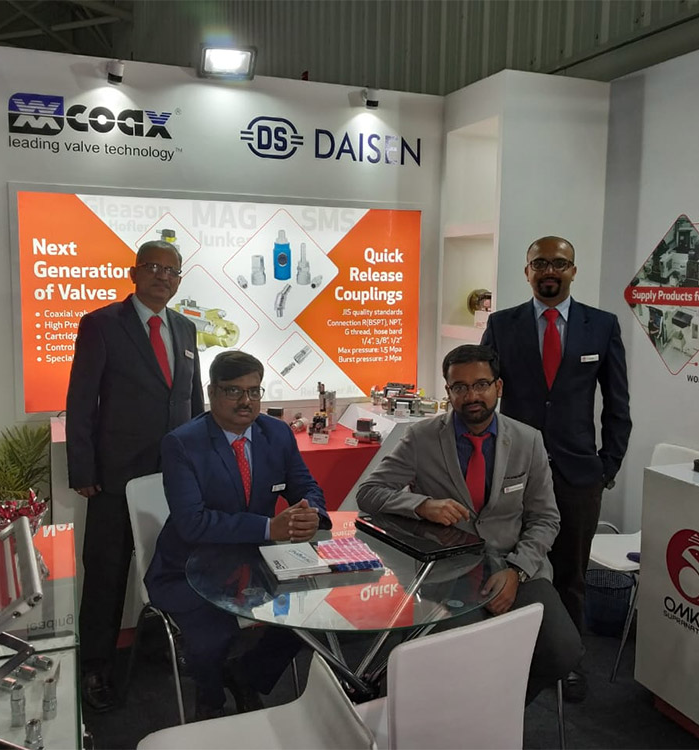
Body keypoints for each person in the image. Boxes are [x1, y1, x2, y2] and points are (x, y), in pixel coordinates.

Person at [357, 344, 582, 704]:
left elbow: (545, 518)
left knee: (562, 651)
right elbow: (369, 493)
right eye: (459, 387)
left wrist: (517, 571)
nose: (471, 396)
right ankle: (464, 716)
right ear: (448, 392)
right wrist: (421, 505)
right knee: (455, 659)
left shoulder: (528, 440)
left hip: (517, 567)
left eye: (481, 384)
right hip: (448, 572)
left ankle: (500, 709)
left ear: (498, 387)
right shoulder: (421, 438)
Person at [481, 235, 631, 701]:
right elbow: (482, 392)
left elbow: (618, 404)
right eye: (541, 263)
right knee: (502, 561)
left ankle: (568, 661)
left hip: (577, 472)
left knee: (571, 574)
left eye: (560, 263)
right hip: (512, 470)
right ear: (527, 271)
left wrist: (606, 467)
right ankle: (504, 656)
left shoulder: (600, 325)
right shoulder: (502, 324)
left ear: (573, 270)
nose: (550, 271)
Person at [145, 350, 332, 721]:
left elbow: (306, 486)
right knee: (214, 636)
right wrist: (267, 527)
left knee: (311, 614)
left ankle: (247, 675)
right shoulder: (182, 443)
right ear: (212, 392)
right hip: (189, 567)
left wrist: (313, 513)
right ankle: (210, 702)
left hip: (257, 562)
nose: (246, 401)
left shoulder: (276, 433)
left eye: (254, 391)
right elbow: (192, 523)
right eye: (233, 391)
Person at [65, 240, 204, 712]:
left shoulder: (185, 328)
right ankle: (95, 666)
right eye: (153, 267)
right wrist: (83, 468)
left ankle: (161, 645)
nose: (163, 276)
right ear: (134, 273)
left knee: (171, 565)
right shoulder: (102, 324)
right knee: (106, 572)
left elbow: (192, 400)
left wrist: (200, 460)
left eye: (172, 270)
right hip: (115, 477)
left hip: (172, 477)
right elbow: (81, 400)